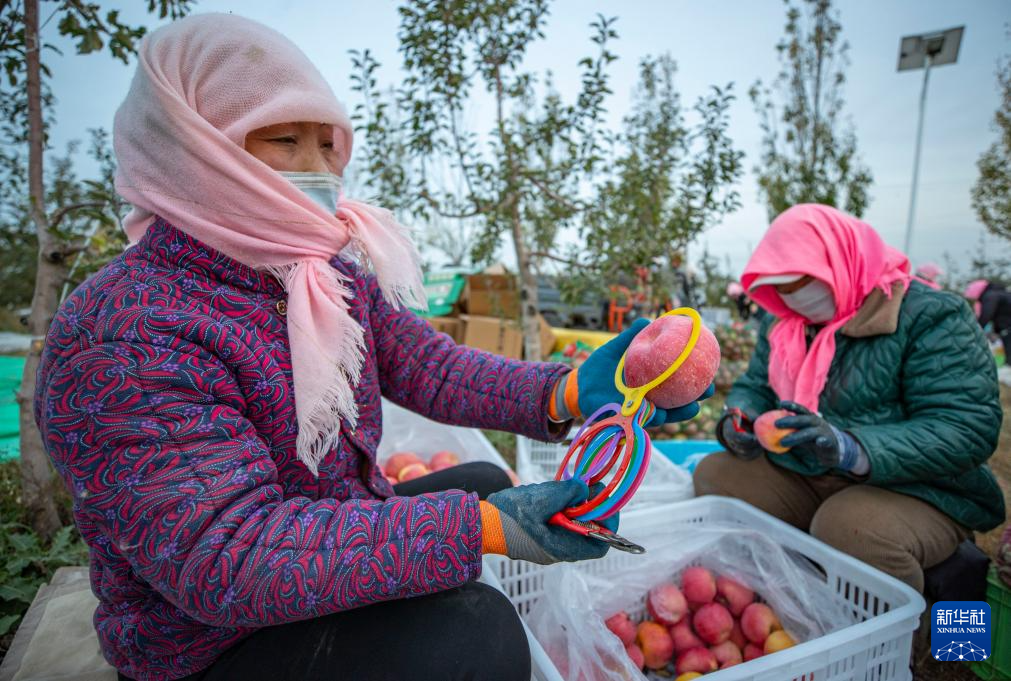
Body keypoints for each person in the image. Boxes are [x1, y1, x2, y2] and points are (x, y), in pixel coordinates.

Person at [33, 15, 709, 681]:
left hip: (320, 537)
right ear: (195, 148)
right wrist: (480, 530)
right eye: (284, 140)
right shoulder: (125, 330)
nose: (317, 169)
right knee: (475, 633)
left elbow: (430, 366)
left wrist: (563, 392)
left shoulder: (320, 276)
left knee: (482, 483)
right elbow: (227, 556)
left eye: (327, 144)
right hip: (212, 640)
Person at [695, 204, 1004, 594]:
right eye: (783, 288)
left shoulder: (932, 316)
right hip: (812, 473)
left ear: (840, 260)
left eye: (803, 282)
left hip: (921, 486)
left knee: (850, 529)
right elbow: (755, 384)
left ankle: (909, 645)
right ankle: (790, 600)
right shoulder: (784, 322)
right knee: (716, 474)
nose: (794, 298)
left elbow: (966, 429)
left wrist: (850, 447)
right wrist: (740, 416)